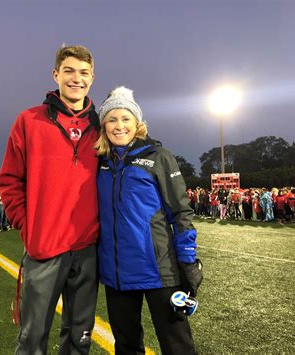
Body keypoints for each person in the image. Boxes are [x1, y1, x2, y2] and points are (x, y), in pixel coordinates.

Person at [0, 45, 100, 355]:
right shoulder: (29, 120)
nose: (76, 79)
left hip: (87, 249)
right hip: (44, 248)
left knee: (79, 340)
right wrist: (28, 226)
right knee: (32, 340)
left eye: (83, 73)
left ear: (92, 78)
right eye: (68, 71)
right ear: (55, 74)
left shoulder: (102, 127)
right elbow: (9, 180)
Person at [95, 86, 202, 355]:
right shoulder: (99, 161)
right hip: (117, 274)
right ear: (104, 125)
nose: (119, 126)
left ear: (137, 123)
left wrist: (188, 260)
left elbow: (180, 212)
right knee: (127, 347)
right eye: (112, 119)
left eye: (125, 119)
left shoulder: (159, 157)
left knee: (177, 346)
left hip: (159, 271)